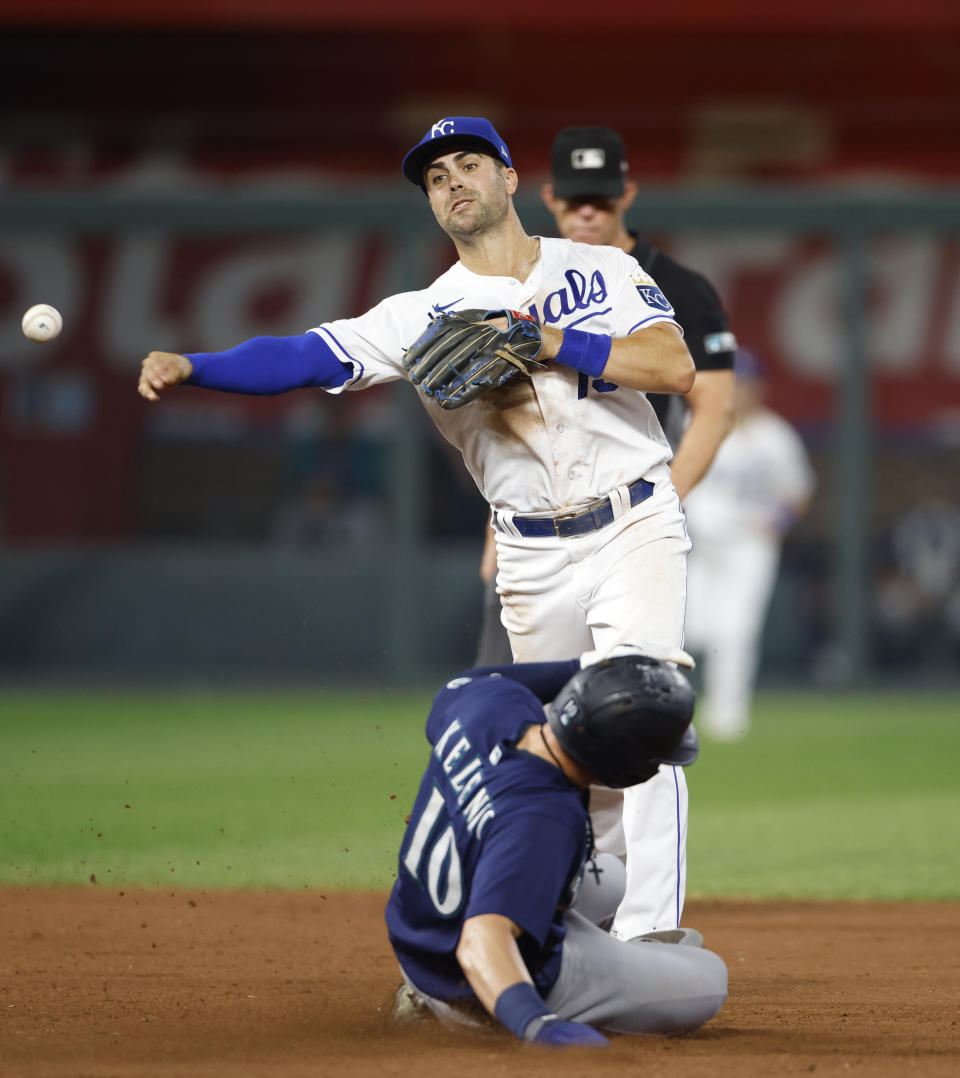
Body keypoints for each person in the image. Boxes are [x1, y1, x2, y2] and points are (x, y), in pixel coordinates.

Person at [137, 115, 694, 940]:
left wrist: (548, 340)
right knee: (563, 741)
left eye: (470, 164)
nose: (454, 182)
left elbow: (671, 365)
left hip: (634, 521)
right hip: (532, 552)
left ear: (509, 178)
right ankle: (568, 918)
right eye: (437, 178)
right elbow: (306, 354)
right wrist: (199, 368)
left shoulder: (600, 268)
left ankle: (651, 932)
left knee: (641, 705)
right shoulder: (420, 315)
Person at [476, 125, 736, 666]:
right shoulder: (523, 284)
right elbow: (516, 418)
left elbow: (714, 411)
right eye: (575, 199)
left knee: (632, 706)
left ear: (626, 196)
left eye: (600, 197)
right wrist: (499, 520)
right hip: (534, 529)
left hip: (630, 515)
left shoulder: (678, 287)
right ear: (550, 199)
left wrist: (658, 509)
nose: (587, 212)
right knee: (513, 708)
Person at [386, 652, 728, 1045]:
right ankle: (464, 1011)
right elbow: (482, 938)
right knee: (707, 977)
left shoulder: (489, 706)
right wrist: (537, 1024)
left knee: (610, 878)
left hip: (421, 934)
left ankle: (425, 990)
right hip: (469, 982)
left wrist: (596, 669)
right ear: (625, 764)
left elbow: (468, 680)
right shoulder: (545, 818)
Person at [683, 349, 816, 740]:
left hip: (747, 545)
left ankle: (728, 713)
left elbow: (798, 491)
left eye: (745, 384)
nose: (738, 391)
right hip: (700, 543)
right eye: (733, 383)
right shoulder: (697, 423)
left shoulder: (774, 436)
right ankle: (674, 705)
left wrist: (777, 522)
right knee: (690, 629)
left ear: (758, 388)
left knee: (735, 630)